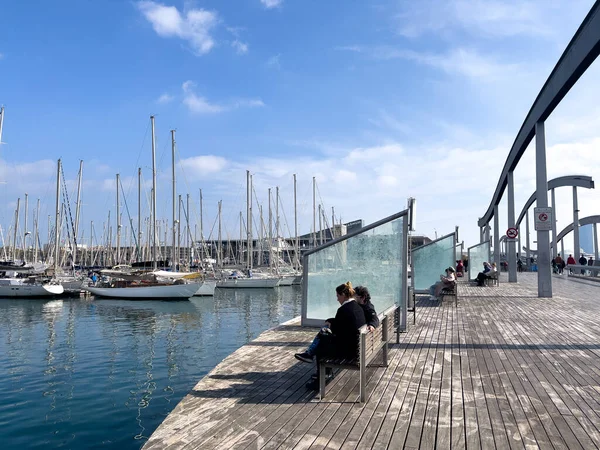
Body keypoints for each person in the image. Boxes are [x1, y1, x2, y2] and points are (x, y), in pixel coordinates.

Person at [294, 282, 366, 390]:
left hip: (349, 352)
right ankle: (311, 356)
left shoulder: (343, 310)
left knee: (323, 342)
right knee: (324, 336)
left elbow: (337, 331)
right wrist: (332, 322)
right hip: (357, 348)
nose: (337, 299)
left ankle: (320, 378)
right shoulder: (357, 307)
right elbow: (346, 324)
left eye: (337, 296)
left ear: (343, 295)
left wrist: (330, 326)